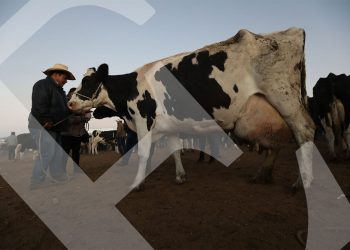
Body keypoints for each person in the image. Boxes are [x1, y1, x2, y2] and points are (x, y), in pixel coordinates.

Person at [28, 64, 75, 188]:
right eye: (65, 78)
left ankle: (57, 176)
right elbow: (39, 104)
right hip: (43, 125)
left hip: (55, 127)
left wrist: (74, 111)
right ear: (56, 74)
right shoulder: (42, 85)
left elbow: (63, 110)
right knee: (47, 153)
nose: (66, 81)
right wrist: (46, 120)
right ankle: (36, 181)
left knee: (57, 153)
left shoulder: (60, 91)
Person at [61, 88, 91, 174]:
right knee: (65, 154)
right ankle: (62, 171)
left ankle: (76, 170)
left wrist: (83, 116)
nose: (75, 95)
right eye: (73, 93)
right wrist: (81, 117)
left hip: (78, 134)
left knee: (76, 153)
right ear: (69, 94)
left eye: (76, 94)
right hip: (66, 134)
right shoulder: (64, 103)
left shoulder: (80, 103)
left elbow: (88, 116)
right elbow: (68, 120)